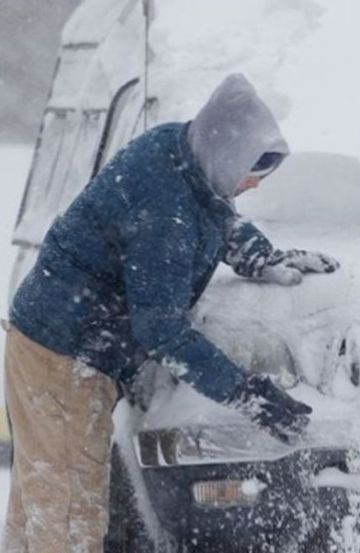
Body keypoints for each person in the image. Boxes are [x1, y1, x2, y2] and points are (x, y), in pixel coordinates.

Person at [1, 73, 338, 552]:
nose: (251, 186)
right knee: (70, 512)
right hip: (64, 355)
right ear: (224, 155)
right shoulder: (163, 213)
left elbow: (214, 209)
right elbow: (160, 329)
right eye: (249, 174)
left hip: (49, 335)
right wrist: (247, 393)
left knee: (42, 502)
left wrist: (259, 255)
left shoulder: (180, 150)